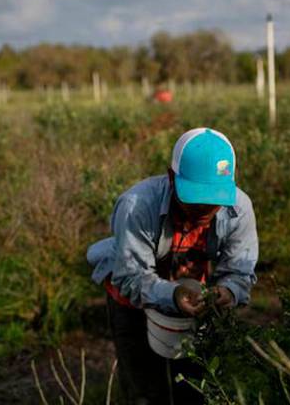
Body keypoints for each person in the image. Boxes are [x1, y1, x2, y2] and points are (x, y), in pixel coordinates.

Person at [86, 127, 259, 404]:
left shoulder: (239, 208)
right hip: (132, 298)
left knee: (195, 387)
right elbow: (132, 276)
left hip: (192, 300)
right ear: (171, 178)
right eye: (195, 198)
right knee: (144, 390)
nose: (205, 208)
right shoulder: (137, 206)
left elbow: (240, 271)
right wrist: (172, 294)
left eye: (214, 199)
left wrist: (228, 291)